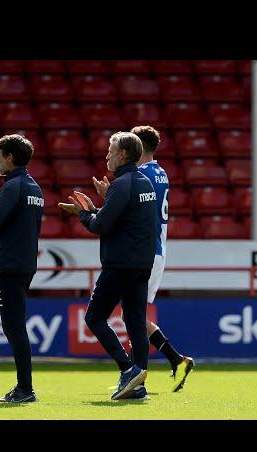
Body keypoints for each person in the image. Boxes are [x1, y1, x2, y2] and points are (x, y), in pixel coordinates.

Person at [59, 131, 157, 401]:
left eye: (111, 150)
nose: (107, 155)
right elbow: (123, 220)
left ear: (123, 154)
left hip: (120, 264)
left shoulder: (121, 184)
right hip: (142, 264)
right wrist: (94, 209)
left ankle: (128, 370)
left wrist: (82, 213)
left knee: (94, 317)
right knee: (135, 323)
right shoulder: (144, 182)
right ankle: (137, 386)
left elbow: (101, 225)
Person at [0, 134, 43, 403]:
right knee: (15, 325)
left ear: (10, 158)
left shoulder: (14, 187)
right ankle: (23, 387)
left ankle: (25, 389)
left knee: (14, 326)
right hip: (25, 263)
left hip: (10, 266)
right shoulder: (33, 187)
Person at [131, 125, 195, 392]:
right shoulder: (161, 172)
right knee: (132, 314)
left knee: (132, 316)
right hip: (158, 249)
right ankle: (175, 359)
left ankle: (135, 376)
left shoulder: (141, 175)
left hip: (146, 251)